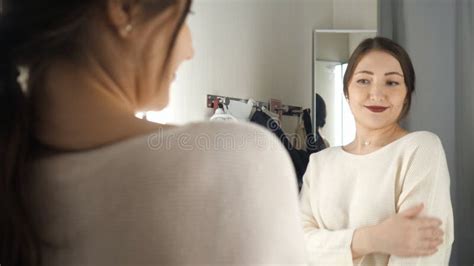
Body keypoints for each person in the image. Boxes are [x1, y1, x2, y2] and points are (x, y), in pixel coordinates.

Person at [0, 1, 306, 265]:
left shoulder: (16, 173)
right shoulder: (236, 163)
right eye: (187, 16)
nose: (190, 49)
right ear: (123, 8)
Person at [300, 37, 454, 265]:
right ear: (346, 91)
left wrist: (332, 247)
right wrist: (373, 239)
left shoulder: (420, 149)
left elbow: (420, 256)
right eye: (363, 80)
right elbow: (297, 246)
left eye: (391, 83)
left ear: (407, 94)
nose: (377, 94)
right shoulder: (320, 163)